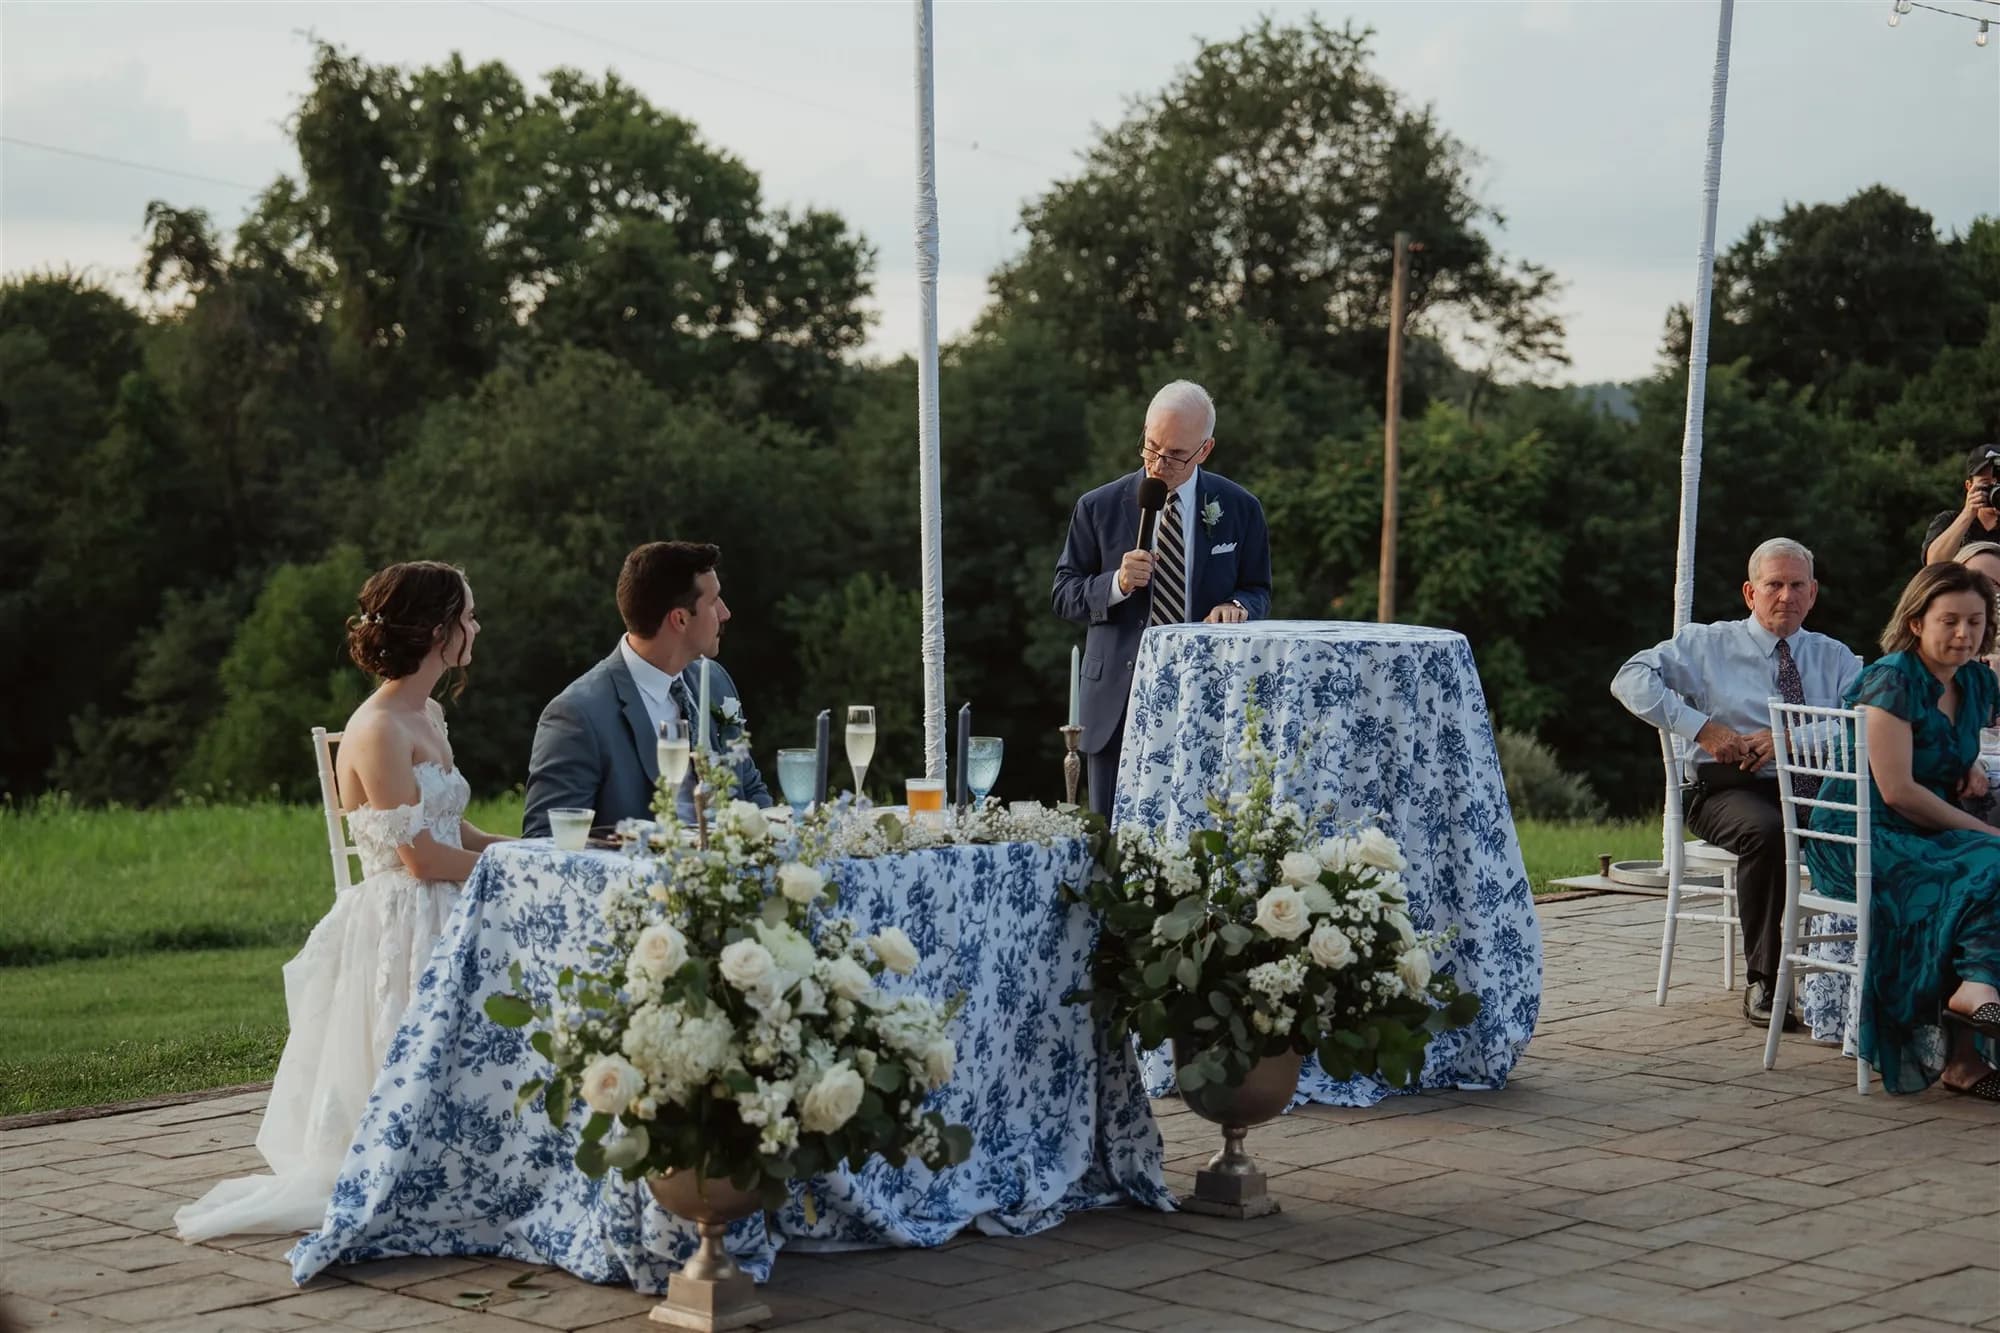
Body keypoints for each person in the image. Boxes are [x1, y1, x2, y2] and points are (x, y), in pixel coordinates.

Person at [175, 561, 512, 1241]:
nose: (477, 627)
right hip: (408, 914)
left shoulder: (431, 713)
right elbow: (419, 858)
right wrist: (508, 873)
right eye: (469, 616)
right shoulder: (379, 728)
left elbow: (454, 830)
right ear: (440, 631)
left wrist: (529, 847)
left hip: (449, 891)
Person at [1611, 538, 1862, 1026]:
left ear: (1813, 594)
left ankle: (1867, 976)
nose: (1785, 596)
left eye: (1796, 586)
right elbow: (1629, 678)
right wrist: (1702, 729)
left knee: (1883, 825)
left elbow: (1868, 715)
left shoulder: (1835, 658)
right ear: (1750, 593)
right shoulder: (1707, 644)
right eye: (1774, 585)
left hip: (1816, 789)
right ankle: (1767, 982)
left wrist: (1790, 737)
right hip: (1730, 790)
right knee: (1767, 832)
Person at [1802, 562, 2000, 1101]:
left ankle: (1965, 1052)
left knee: (1977, 877)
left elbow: (1950, 748)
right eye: (1950, 621)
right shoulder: (1892, 679)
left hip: (1922, 830)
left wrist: (1972, 763)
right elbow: (1897, 791)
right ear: (1917, 622)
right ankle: (1972, 1008)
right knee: (1986, 863)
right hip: (1862, 834)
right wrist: (1986, 835)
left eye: (1977, 622)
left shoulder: (1977, 681)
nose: (1964, 634)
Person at [1052, 379, 1272, 819]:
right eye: (1151, 446)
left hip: (1206, 699)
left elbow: (1258, 590)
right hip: (1116, 698)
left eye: (1174, 454)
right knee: (1111, 843)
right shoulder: (1098, 506)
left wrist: (1238, 607)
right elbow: (1063, 594)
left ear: (1204, 450)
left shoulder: (1240, 507)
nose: (1158, 463)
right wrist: (1116, 583)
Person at [524, 541, 770, 838]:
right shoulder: (577, 715)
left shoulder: (714, 680)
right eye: (714, 601)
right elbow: (546, 845)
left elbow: (750, 788)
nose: (725, 612)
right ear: (679, 618)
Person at [1920, 443, 2000, 565]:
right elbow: (1934, 564)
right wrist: (1968, 514)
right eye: (1986, 483)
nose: (1995, 489)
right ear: (1969, 486)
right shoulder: (1949, 521)